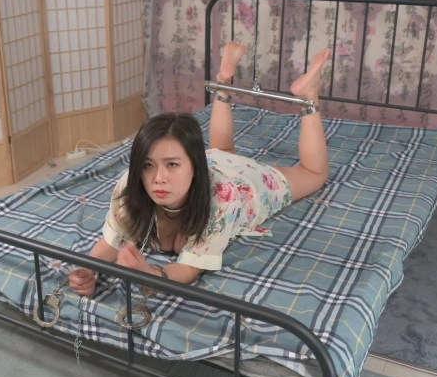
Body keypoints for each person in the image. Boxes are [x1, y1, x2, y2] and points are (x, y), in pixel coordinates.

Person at [68, 42, 332, 296]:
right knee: (222, 151)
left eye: (171, 165)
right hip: (215, 161)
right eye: (148, 165)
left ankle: (308, 100)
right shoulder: (129, 187)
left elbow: (189, 268)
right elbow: (111, 241)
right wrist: (89, 270)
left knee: (314, 174)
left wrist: (149, 273)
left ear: (195, 165)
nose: (158, 179)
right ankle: (222, 84)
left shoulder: (221, 200)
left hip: (244, 184)